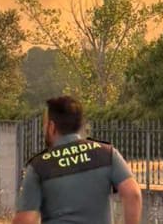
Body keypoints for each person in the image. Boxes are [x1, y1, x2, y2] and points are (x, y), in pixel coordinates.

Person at [13, 96, 142, 224]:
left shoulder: (39, 167)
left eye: (45, 124)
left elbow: (26, 220)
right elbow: (133, 194)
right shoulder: (106, 154)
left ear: (52, 127)